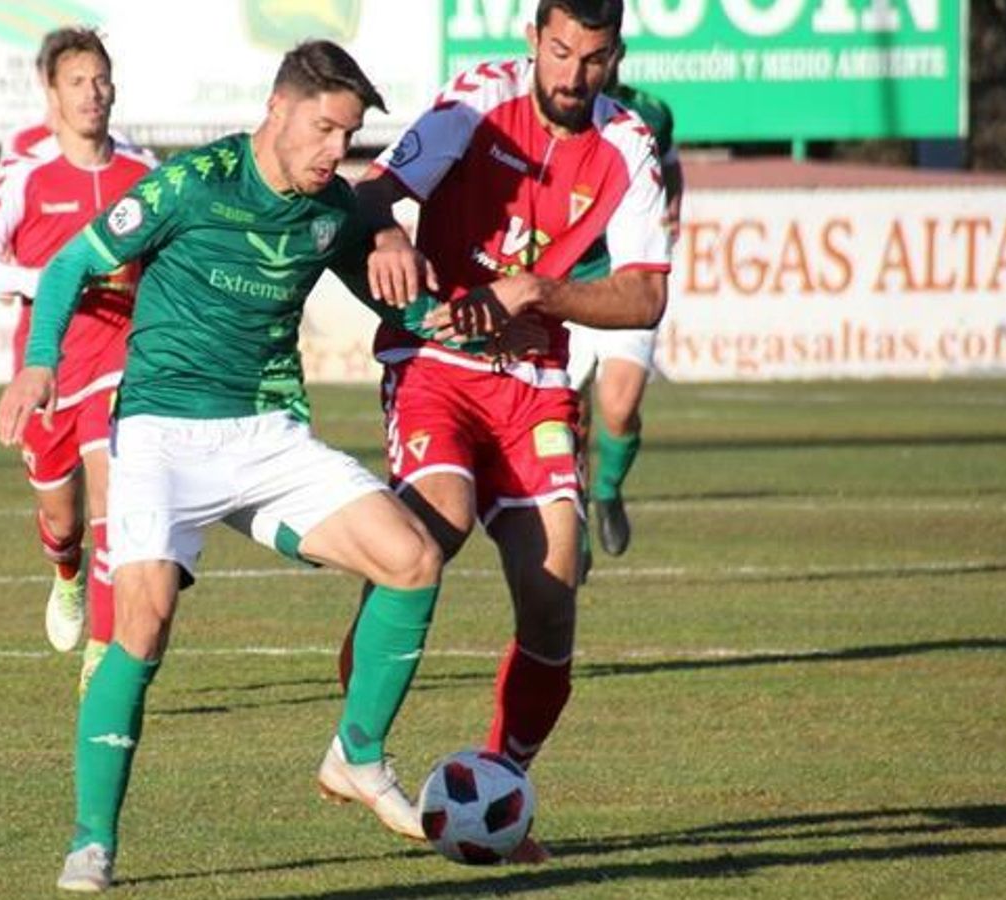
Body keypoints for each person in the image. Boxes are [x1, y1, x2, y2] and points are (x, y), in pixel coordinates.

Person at [0, 41, 478, 893]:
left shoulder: (334, 207)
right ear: (277, 108)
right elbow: (71, 262)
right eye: (324, 128)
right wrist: (40, 365)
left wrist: (456, 312)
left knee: (412, 559)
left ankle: (357, 756)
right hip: (160, 433)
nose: (336, 150)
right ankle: (92, 842)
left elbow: (396, 297)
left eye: (350, 135)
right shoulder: (194, 182)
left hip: (266, 435)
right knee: (141, 624)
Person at [343, 0, 672, 863]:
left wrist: (538, 293)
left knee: (554, 589)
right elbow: (374, 189)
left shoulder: (627, 145)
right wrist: (387, 233)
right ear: (533, 40)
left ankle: (498, 785)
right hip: (435, 363)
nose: (572, 74)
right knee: (436, 526)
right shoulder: (476, 101)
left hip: (534, 386)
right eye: (559, 51)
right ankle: (356, 738)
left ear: (615, 55)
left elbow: (645, 296)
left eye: (591, 59)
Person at [0, 28, 156, 684]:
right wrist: (44, 280)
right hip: (47, 369)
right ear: (52, 94)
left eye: (100, 79)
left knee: (112, 499)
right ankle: (66, 571)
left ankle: (102, 652)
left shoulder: (144, 174)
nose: (92, 93)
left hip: (120, 358)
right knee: (62, 517)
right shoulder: (26, 174)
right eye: (77, 82)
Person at [565, 68, 685, 560]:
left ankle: (608, 490)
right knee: (567, 417)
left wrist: (673, 208)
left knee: (618, 406)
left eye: (601, 51)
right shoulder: (548, 108)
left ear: (616, 51)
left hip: (626, 278)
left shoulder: (649, 112)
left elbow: (670, 165)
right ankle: (573, 521)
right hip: (564, 282)